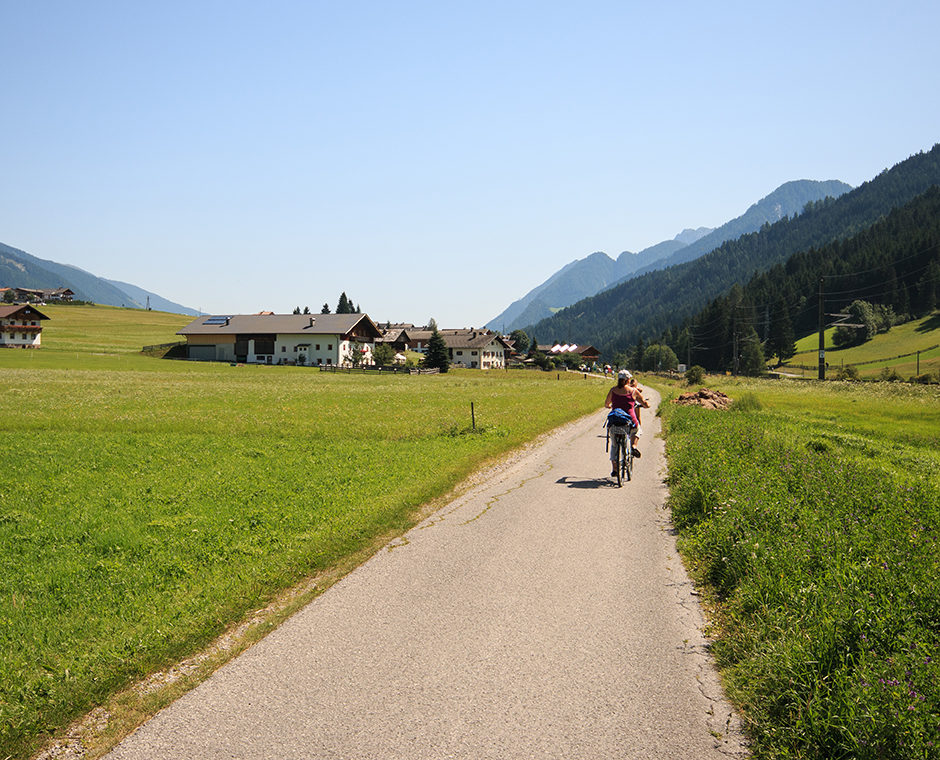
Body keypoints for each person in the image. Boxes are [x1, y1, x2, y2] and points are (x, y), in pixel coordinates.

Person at [604, 369, 649, 475]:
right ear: (628, 380)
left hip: (615, 422)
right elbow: (644, 403)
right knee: (637, 430)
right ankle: (634, 446)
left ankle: (615, 469)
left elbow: (606, 404)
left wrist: (610, 406)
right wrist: (647, 405)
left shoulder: (613, 390)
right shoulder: (633, 391)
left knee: (614, 445)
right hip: (630, 422)